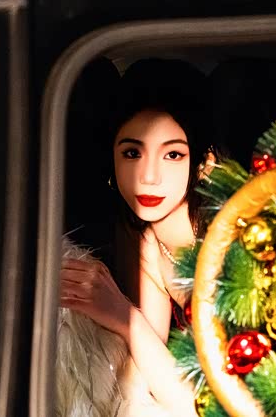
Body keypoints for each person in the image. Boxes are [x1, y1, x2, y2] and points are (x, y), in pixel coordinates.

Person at [59, 58, 215, 417]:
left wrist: (124, 315)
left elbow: (197, 406)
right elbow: (149, 374)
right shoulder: (148, 242)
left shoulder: (230, 237)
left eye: (172, 154)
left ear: (203, 163)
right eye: (132, 153)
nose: (148, 176)